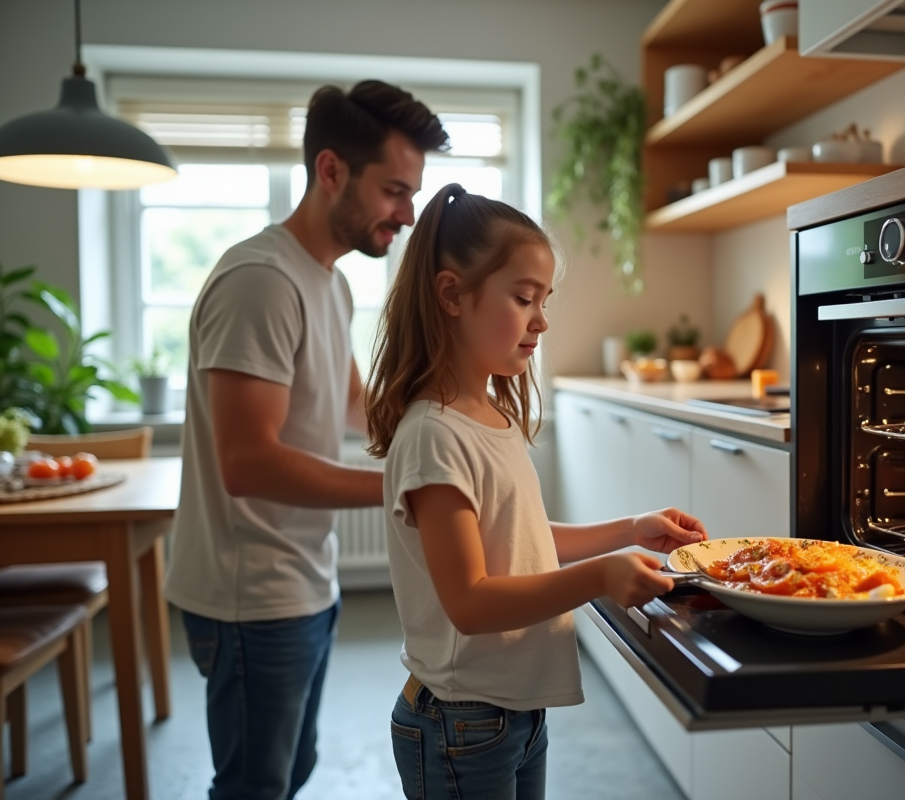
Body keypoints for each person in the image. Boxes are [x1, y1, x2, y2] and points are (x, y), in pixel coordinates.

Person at [363, 183, 709, 800]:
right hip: (459, 722)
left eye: (544, 299)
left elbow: (517, 540)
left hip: (509, 714)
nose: (542, 320)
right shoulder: (433, 436)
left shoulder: (490, 416)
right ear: (451, 295)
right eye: (524, 298)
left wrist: (630, 529)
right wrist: (600, 576)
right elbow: (469, 600)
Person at [162, 80, 448, 800]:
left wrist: (444, 428)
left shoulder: (327, 280)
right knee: (256, 784)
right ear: (330, 171)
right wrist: (407, 487)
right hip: (249, 593)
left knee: (293, 770)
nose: (407, 215)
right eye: (393, 191)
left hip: (303, 576)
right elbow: (247, 462)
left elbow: (353, 403)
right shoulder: (260, 281)